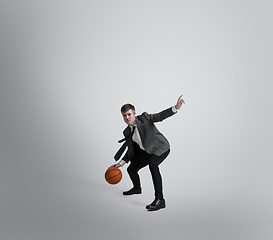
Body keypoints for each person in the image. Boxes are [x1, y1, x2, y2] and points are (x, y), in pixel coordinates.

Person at [113, 95, 185, 211]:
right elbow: (130, 150)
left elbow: (160, 116)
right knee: (131, 169)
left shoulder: (144, 118)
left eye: (129, 114)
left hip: (160, 148)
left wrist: (175, 107)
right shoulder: (127, 131)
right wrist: (121, 163)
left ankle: (160, 200)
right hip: (147, 151)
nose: (127, 117)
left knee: (153, 164)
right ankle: (137, 188)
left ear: (134, 114)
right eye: (124, 115)